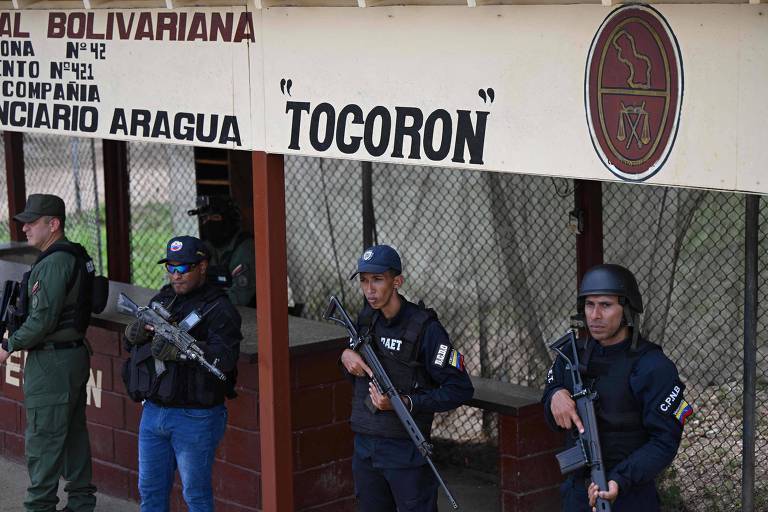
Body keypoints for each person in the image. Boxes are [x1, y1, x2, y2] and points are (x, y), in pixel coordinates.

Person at [542, 264, 693, 512]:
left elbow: (664, 441)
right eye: (589, 305)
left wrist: (619, 480)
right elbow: (550, 393)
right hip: (576, 494)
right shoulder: (571, 355)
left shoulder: (653, 367)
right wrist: (554, 395)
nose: (595, 315)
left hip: (628, 494)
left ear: (627, 310)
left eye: (606, 305)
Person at [339, 244, 474, 512]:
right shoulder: (366, 320)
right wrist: (345, 356)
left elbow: (460, 389)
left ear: (397, 281)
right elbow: (354, 372)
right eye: (364, 281)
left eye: (377, 279)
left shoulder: (427, 329)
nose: (369, 289)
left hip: (407, 452)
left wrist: (407, 402)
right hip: (366, 449)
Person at [122, 236, 242, 512]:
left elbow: (225, 359)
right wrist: (133, 334)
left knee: (195, 496)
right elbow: (134, 346)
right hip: (154, 410)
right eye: (171, 268)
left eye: (183, 268)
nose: (176, 275)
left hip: (195, 415)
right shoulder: (164, 298)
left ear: (202, 266)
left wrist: (181, 352)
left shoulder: (219, 308)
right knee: (150, 492)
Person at [0, 193, 98, 512]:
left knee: (43, 440)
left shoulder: (54, 262)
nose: (25, 228)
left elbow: (42, 321)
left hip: (53, 361)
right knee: (72, 436)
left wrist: (8, 345)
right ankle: (81, 503)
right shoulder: (71, 254)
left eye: (32, 222)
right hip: (70, 355)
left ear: (53, 224)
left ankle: (39, 507)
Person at [188, 196, 256, 307]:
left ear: (229, 220)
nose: (209, 223)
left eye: (215, 217)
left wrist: (204, 304)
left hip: (242, 311)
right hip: (215, 307)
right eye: (205, 219)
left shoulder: (244, 248)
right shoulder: (206, 247)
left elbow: (241, 296)